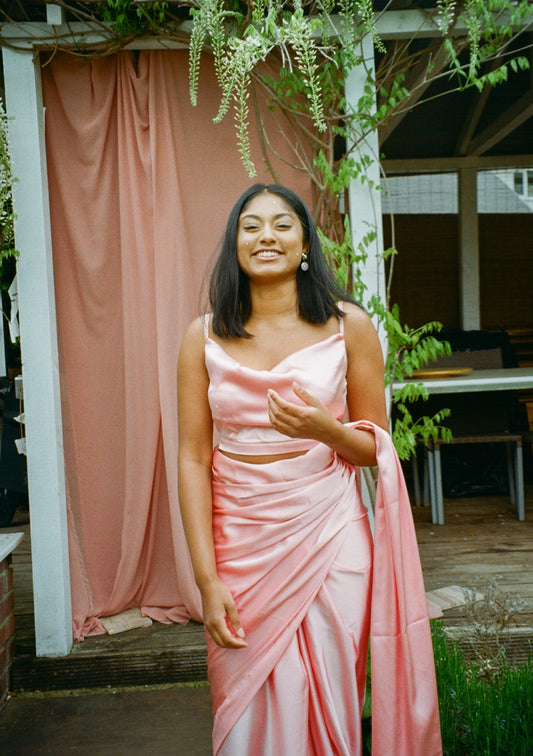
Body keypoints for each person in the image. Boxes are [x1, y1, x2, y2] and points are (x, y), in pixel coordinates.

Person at [177, 184, 442, 756]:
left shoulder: (350, 327)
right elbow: (193, 459)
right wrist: (206, 579)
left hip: (330, 535)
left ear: (304, 246)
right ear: (234, 245)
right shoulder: (203, 337)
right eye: (251, 226)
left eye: (282, 224)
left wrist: (327, 431)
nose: (266, 236)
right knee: (243, 703)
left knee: (332, 693)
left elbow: (375, 448)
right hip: (241, 541)